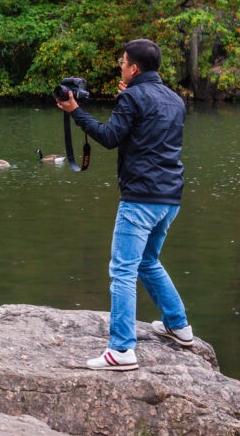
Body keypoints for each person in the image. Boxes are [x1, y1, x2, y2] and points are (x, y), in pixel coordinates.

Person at [56, 38, 193, 371]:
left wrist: (76, 112)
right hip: (169, 198)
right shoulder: (175, 99)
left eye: (122, 62)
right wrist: (127, 98)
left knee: (122, 270)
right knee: (147, 261)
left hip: (140, 199)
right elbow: (146, 134)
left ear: (133, 68)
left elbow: (109, 137)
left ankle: (121, 350)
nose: (120, 66)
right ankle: (178, 326)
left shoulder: (133, 97)